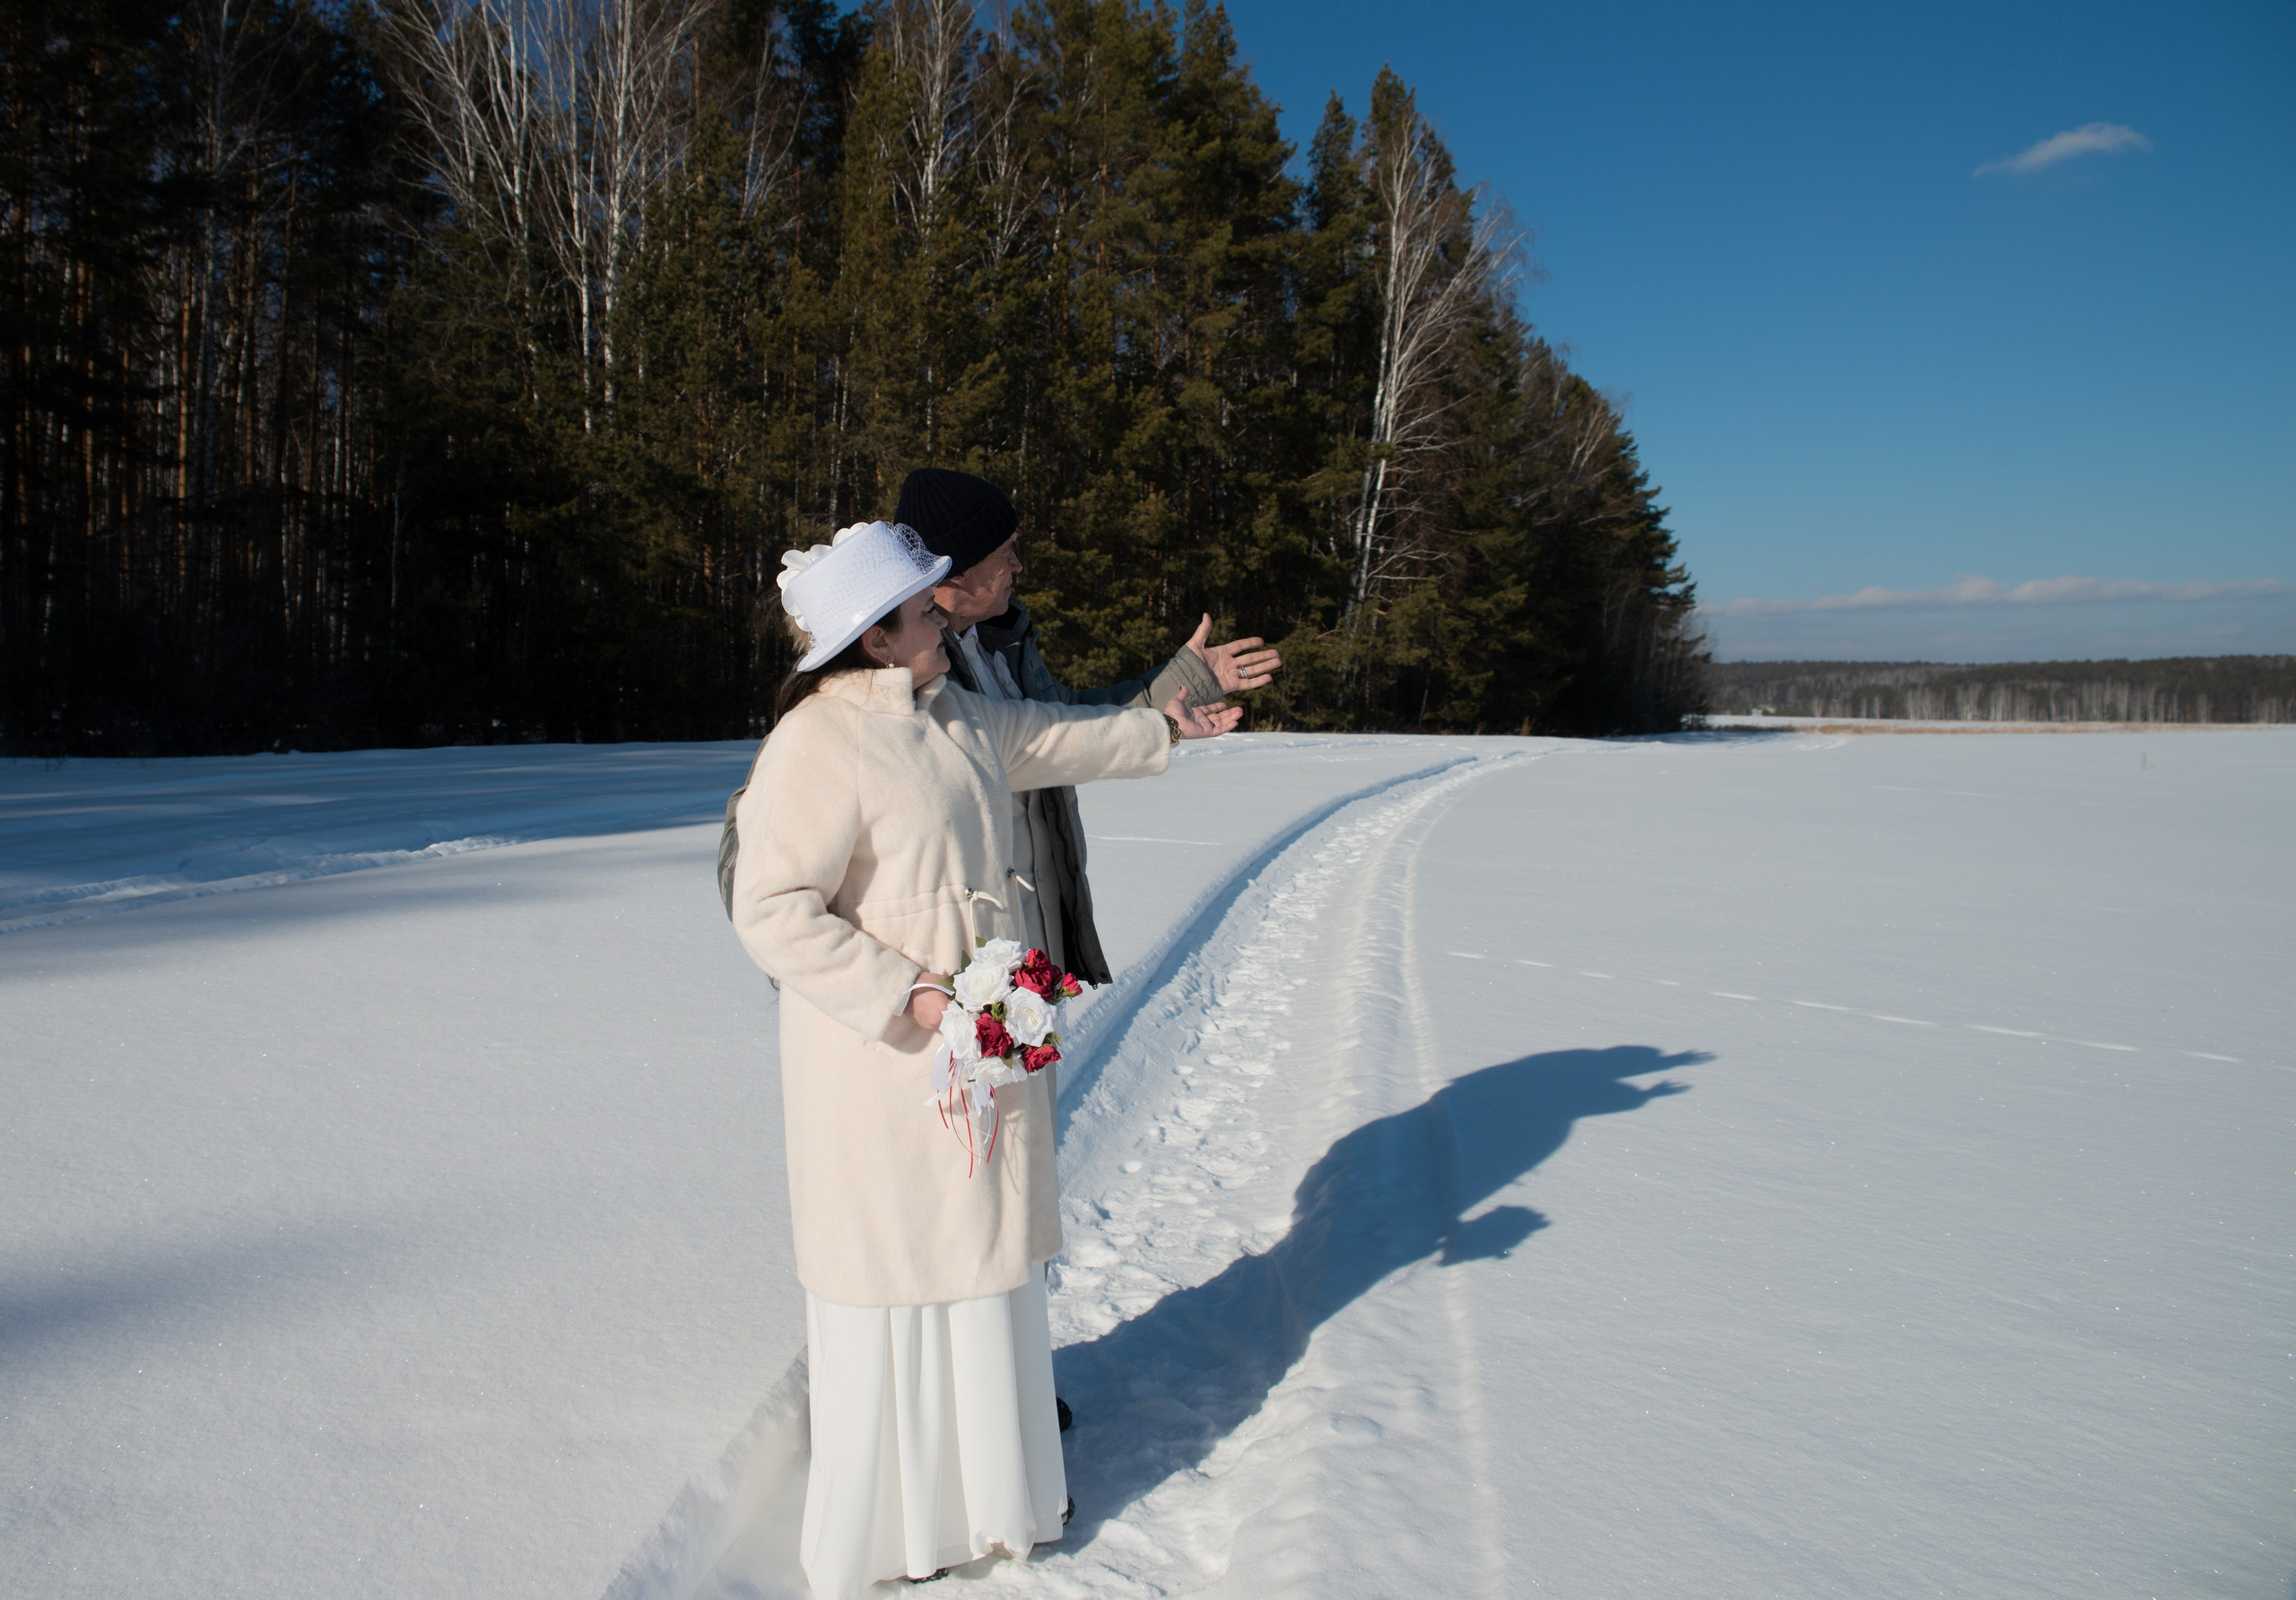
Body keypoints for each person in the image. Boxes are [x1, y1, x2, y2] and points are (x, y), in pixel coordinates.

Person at [727, 519, 1238, 1597]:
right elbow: (769, 906)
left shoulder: (952, 712)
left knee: (982, 1268)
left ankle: (992, 1500)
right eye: (925, 610)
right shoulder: (816, 743)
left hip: (976, 1048)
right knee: (906, 1274)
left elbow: (1059, 738)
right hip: (881, 1071)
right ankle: (899, 1522)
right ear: (875, 637)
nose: (947, 618)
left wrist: (1169, 725)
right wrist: (903, 991)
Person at [892, 467, 1282, 985]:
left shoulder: (997, 643)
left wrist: (1186, 682)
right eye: (1004, 551)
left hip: (1029, 939)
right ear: (956, 572)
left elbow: (1069, 726)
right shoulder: (894, 671)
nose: (1019, 564)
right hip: (955, 966)